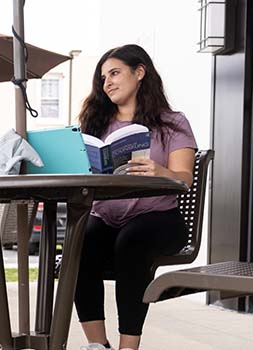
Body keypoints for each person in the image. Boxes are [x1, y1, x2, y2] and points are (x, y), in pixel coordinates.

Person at [74, 44, 197, 350]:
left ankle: (128, 347)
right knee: (81, 241)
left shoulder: (172, 122)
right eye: (103, 78)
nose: (108, 83)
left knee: (131, 242)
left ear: (139, 72)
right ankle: (98, 346)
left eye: (115, 73)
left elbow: (184, 178)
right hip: (106, 216)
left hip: (159, 218)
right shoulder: (95, 125)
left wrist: (161, 170)